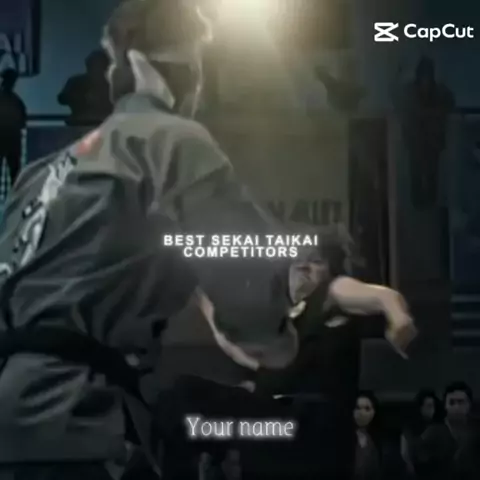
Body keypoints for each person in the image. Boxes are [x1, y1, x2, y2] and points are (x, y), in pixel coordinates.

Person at [0, 1, 416, 479]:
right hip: (74, 420)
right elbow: (249, 292)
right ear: (148, 66)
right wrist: (274, 339)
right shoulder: (169, 139)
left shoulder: (36, 176)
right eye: (193, 65)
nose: (196, 84)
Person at [397, 56, 454, 209]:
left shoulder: (439, 92)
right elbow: (401, 104)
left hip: (431, 141)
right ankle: (419, 203)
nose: (426, 79)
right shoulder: (411, 91)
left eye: (428, 75)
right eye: (424, 75)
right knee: (416, 173)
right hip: (416, 140)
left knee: (431, 174)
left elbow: (450, 103)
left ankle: (429, 204)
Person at [412, 382, 480, 479]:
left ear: (469, 404)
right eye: (452, 402)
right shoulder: (433, 432)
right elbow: (420, 465)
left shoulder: (476, 431)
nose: (456, 407)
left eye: (461, 402)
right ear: (445, 405)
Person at [58, 50, 112, 125]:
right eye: (94, 64)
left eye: (100, 65)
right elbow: (62, 98)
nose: (97, 68)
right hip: (78, 125)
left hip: (106, 125)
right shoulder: (76, 82)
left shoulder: (113, 84)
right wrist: (82, 98)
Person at [401, 390, 443, 476]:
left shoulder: (439, 427)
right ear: (420, 407)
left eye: (433, 406)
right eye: (429, 406)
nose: (432, 410)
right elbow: (406, 450)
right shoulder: (410, 428)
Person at [0, 68, 26, 186]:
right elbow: (22, 121)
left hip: (6, 138)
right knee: (14, 172)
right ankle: (14, 194)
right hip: (13, 139)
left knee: (14, 172)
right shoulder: (16, 101)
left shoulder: (14, 100)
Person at [353, 391, 382, 480]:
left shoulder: (375, 440)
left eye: (367, 408)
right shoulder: (341, 437)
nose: (361, 413)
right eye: (358, 408)